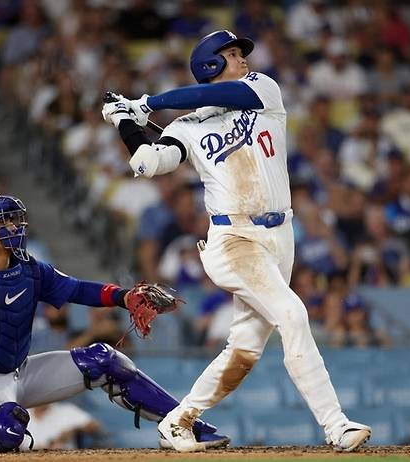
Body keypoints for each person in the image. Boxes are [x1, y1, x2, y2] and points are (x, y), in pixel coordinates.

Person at [101, 30, 371, 453]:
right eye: (230, 54)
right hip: (233, 238)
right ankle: (336, 425)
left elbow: (217, 93)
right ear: (209, 63)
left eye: (239, 53)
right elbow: (148, 163)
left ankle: (178, 420)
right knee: (293, 315)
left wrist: (147, 103)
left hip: (281, 234)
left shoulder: (262, 89)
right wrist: (124, 121)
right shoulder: (186, 126)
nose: (242, 58)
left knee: (245, 346)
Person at [0, 195, 229, 453]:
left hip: (19, 371)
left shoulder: (30, 269)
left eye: (15, 218)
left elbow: (77, 289)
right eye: (2, 221)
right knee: (6, 432)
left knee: (105, 360)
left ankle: (183, 426)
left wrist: (124, 297)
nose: (14, 225)